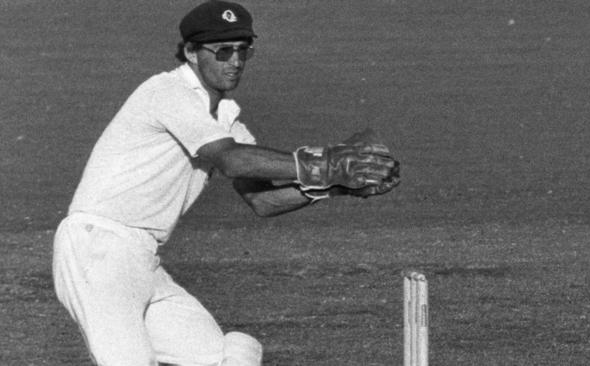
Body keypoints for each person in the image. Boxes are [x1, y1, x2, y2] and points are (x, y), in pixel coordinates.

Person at [51, 1, 400, 365]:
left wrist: (335, 186)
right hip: (99, 249)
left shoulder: (227, 119)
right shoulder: (167, 92)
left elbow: (261, 200)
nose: (235, 61)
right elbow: (232, 161)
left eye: (242, 51)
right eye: (222, 51)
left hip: (142, 258)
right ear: (190, 52)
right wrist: (329, 163)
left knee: (224, 357)